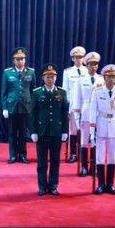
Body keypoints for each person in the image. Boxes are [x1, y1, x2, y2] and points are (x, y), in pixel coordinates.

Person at [30, 63, 69, 196]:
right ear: (43, 78)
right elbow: (33, 113)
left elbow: (64, 112)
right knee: (41, 161)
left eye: (52, 76)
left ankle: (53, 186)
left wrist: (65, 131)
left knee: (55, 161)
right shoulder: (37, 93)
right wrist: (33, 131)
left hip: (56, 132)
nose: (50, 79)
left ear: (56, 78)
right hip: (42, 131)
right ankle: (42, 186)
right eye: (47, 77)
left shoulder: (61, 92)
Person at [89, 64, 115, 195]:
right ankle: (101, 184)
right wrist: (92, 131)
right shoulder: (97, 92)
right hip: (101, 124)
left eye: (113, 76)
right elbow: (93, 112)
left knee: (112, 157)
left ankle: (110, 185)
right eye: (109, 76)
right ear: (104, 78)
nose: (111, 79)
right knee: (100, 157)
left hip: (114, 126)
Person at [1, 47, 35, 163]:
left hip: (25, 107)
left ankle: (22, 155)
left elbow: (33, 90)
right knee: (12, 133)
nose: (20, 61)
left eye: (22, 59)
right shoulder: (7, 72)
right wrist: (4, 108)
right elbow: (4, 92)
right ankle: (12, 155)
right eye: (18, 59)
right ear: (13, 60)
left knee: (23, 133)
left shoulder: (31, 72)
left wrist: (33, 106)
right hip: (12, 107)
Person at [73, 52, 104, 177]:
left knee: (95, 141)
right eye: (91, 64)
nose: (94, 67)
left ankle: (94, 166)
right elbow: (77, 98)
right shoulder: (81, 79)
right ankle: (84, 167)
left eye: (96, 64)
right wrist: (77, 115)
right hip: (85, 112)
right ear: (87, 65)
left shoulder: (102, 79)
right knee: (84, 141)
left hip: (98, 114)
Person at [62, 46, 86, 163]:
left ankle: (82, 153)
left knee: (84, 130)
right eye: (76, 57)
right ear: (72, 59)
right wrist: (66, 106)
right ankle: (73, 154)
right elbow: (65, 90)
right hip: (72, 104)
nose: (78, 59)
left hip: (85, 104)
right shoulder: (67, 72)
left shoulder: (87, 71)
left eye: (80, 57)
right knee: (73, 130)